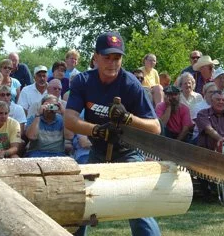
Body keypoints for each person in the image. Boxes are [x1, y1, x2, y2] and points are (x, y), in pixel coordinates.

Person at [64, 31, 161, 236]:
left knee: (138, 201)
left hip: (127, 152)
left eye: (116, 58)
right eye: (107, 57)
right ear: (96, 57)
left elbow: (155, 127)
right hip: (97, 150)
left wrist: (128, 119)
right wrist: (97, 130)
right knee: (81, 200)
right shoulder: (82, 81)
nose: (112, 63)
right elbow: (70, 120)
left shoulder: (131, 84)